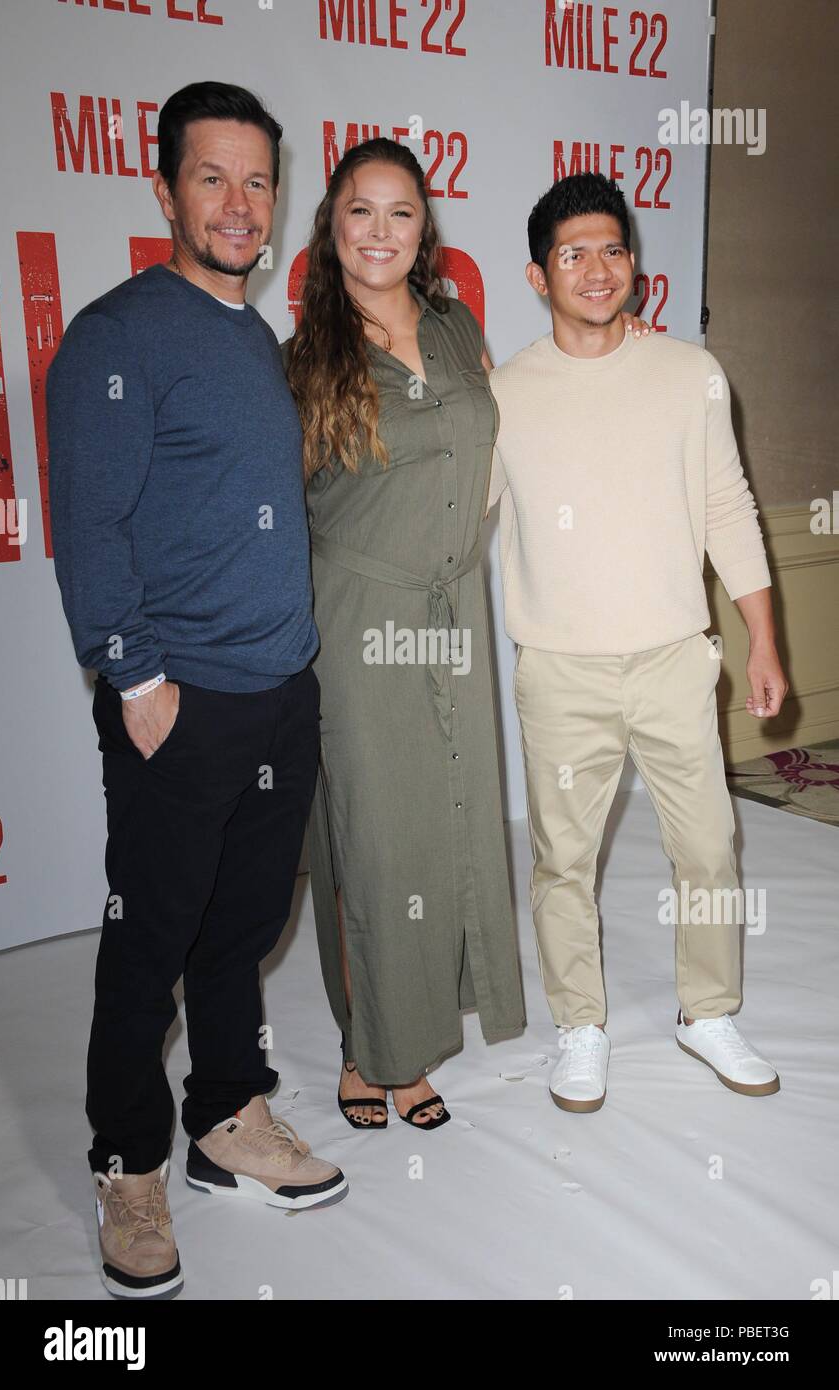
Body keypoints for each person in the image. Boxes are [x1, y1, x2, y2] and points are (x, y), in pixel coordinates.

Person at [47, 82, 346, 1302]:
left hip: (280, 688)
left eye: (258, 181)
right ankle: (128, 1161)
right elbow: (90, 524)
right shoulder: (118, 336)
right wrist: (138, 674)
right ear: (164, 189)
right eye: (211, 178)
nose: (237, 203)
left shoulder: (253, 339)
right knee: (149, 943)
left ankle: (228, 1114)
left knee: (240, 932)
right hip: (181, 699)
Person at [283, 140, 648, 1129]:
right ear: (331, 225)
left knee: (445, 828)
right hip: (354, 616)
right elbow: (277, 510)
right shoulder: (303, 357)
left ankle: (414, 1037)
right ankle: (373, 1055)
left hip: (452, 614)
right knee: (370, 840)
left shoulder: (453, 328)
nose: (379, 232)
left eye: (400, 213)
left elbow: (505, 449)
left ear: (422, 231)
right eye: (360, 212)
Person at [487, 171, 788, 1113]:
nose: (596, 267)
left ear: (634, 265)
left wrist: (763, 642)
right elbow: (454, 525)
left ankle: (708, 1012)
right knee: (560, 864)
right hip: (560, 671)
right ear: (539, 276)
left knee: (708, 847)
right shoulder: (501, 394)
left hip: (671, 658)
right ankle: (580, 1025)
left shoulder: (688, 373)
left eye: (612, 248)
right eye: (572, 253)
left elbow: (727, 510)